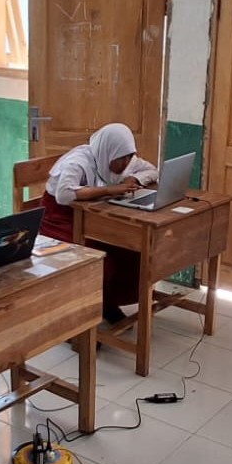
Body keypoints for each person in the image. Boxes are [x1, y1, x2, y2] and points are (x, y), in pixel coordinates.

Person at [40, 123, 158, 324]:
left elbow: (152, 171)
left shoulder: (121, 157)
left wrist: (133, 178)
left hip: (92, 217)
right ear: (108, 152)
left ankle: (107, 302)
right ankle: (94, 310)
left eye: (129, 157)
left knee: (131, 251)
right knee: (100, 259)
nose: (126, 163)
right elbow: (64, 194)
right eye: (122, 159)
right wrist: (109, 190)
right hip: (59, 219)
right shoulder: (78, 161)